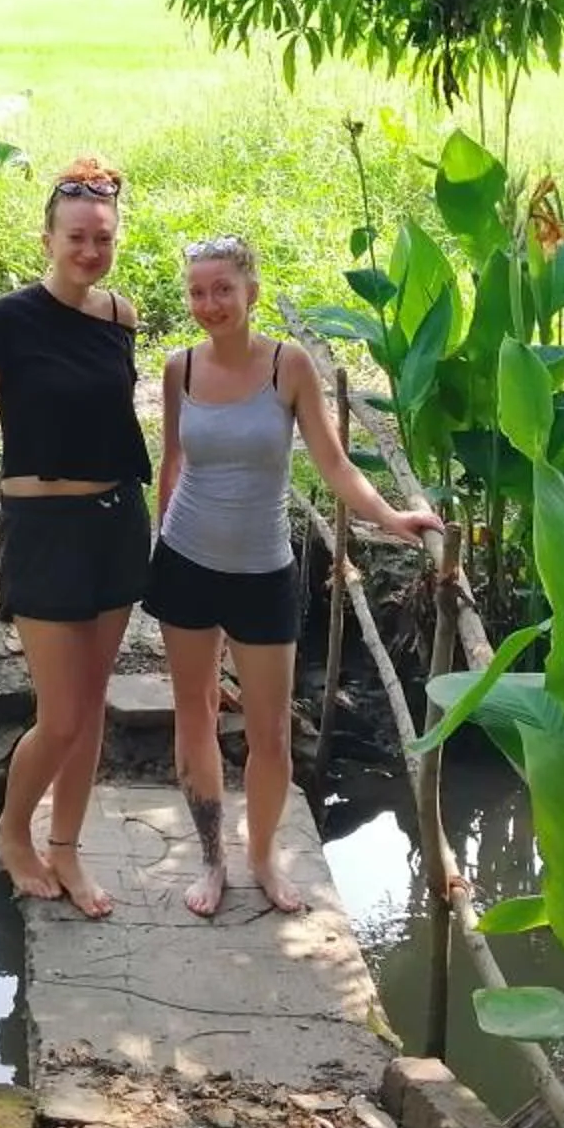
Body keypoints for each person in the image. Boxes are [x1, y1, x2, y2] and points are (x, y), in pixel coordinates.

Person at [150, 235, 440, 918]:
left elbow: (334, 464)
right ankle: (213, 859)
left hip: (262, 571)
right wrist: (161, 541)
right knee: (193, 713)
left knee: (271, 731)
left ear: (250, 290)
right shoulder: (178, 369)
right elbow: (171, 463)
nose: (210, 304)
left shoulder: (289, 366)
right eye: (197, 291)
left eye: (223, 289)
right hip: (186, 562)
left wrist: (392, 517)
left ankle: (262, 858)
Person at [0, 155, 147, 918]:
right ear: (48, 236)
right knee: (64, 711)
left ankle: (69, 851)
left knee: (95, 703)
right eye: (76, 236)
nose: (89, 251)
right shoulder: (5, 321)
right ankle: (15, 832)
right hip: (43, 528)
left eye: (102, 238)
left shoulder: (121, 316)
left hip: (117, 520)